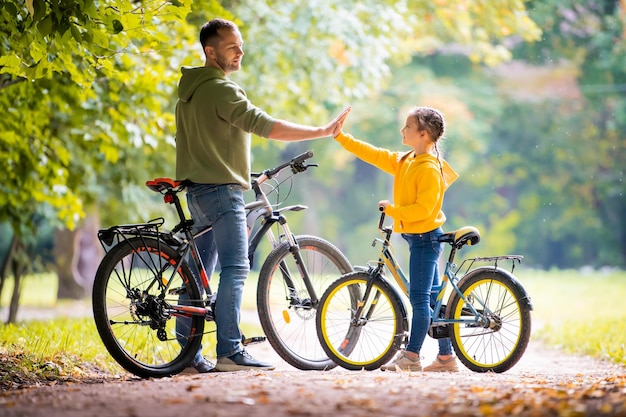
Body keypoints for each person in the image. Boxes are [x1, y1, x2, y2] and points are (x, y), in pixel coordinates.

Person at [174, 18, 350, 373]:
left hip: (197, 192)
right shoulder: (222, 90)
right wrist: (320, 130)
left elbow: (201, 144)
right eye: (231, 47)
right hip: (223, 193)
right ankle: (230, 351)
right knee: (236, 268)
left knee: (197, 274)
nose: (240, 51)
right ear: (210, 51)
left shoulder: (188, 94)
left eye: (240, 45)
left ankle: (188, 356)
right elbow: (264, 125)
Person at [333, 106, 460, 372]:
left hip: (426, 239)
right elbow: (375, 155)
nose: (402, 130)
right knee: (433, 300)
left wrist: (392, 210)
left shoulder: (428, 169)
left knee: (420, 300)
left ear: (423, 134)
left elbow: (424, 210)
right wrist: (341, 137)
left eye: (408, 127)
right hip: (418, 238)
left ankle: (411, 357)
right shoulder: (408, 160)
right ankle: (446, 359)